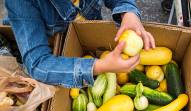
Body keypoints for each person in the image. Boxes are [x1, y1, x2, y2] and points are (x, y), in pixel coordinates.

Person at [4, 0, 155, 88]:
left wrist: (128, 12)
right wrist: (98, 67)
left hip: (83, 37)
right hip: (57, 56)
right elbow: (37, 64)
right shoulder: (20, 3)